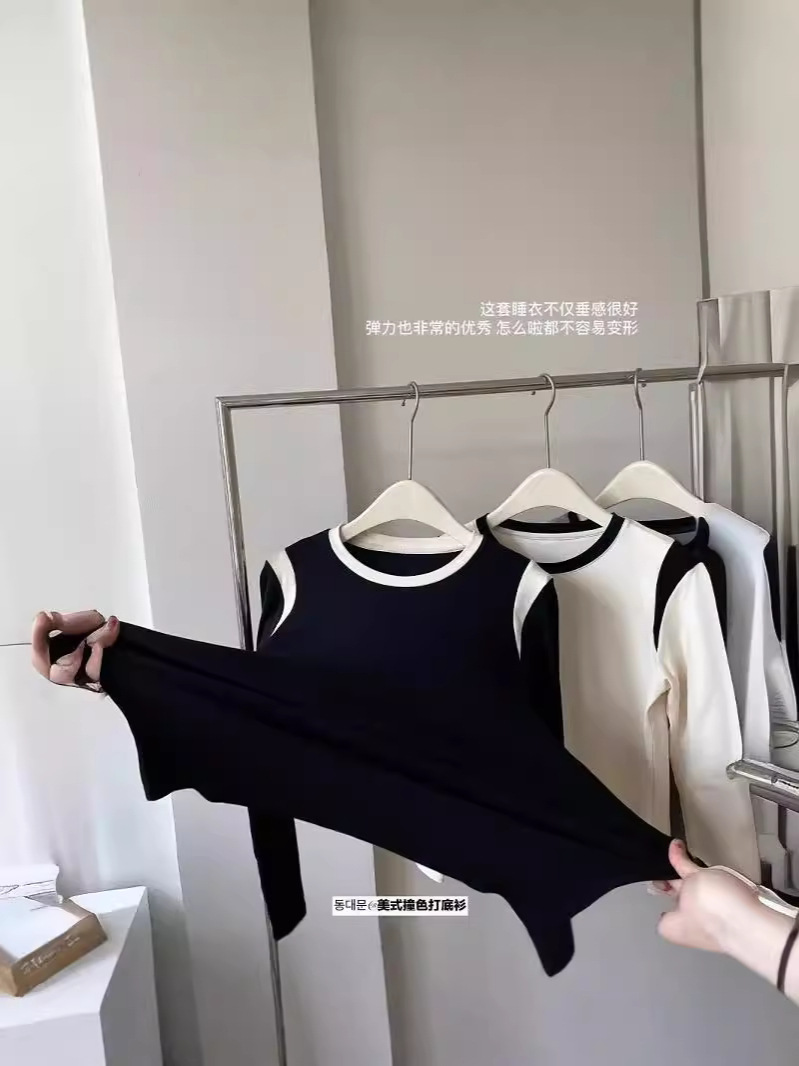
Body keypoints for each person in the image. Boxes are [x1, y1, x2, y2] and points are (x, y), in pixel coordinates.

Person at [31, 610, 799, 1000]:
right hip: (604, 843)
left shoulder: (516, 580)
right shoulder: (294, 575)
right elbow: (286, 717)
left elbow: (524, 748)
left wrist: (735, 903)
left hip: (606, 838)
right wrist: (133, 667)